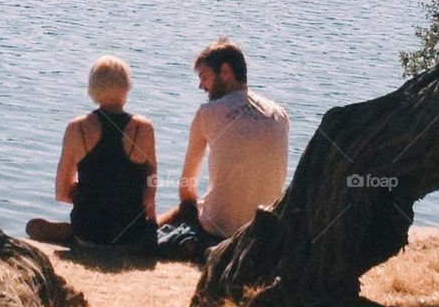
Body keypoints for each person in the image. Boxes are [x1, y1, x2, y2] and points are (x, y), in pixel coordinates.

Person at [158, 39, 288, 261]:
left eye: (204, 77)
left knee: (178, 217)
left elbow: (187, 188)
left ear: (225, 72)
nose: (202, 86)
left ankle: (139, 234)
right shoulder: (279, 114)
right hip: (263, 231)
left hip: (218, 233)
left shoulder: (208, 112)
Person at [26, 55, 157, 251]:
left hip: (87, 231)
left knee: (33, 226)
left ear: (92, 88)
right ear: (127, 86)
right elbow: (150, 191)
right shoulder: (143, 128)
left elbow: (61, 192)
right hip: (131, 235)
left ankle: (67, 232)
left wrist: (92, 195)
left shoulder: (77, 128)